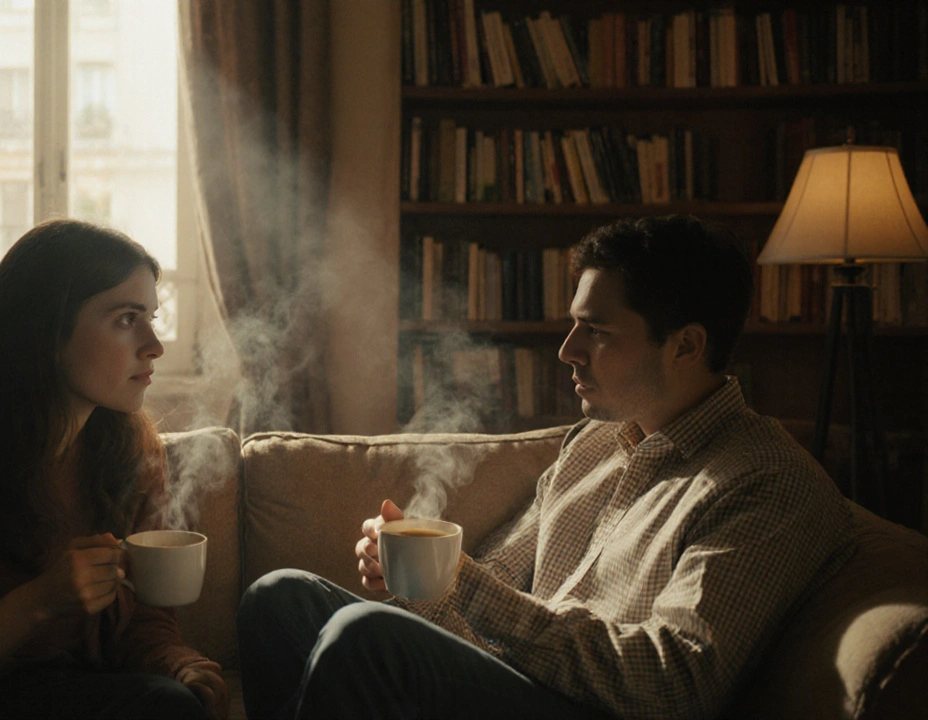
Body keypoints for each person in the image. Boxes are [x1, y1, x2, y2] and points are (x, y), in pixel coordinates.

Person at [237, 214, 855, 720]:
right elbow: (497, 590)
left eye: (596, 331)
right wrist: (417, 581)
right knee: (279, 597)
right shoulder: (593, 445)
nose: (567, 350)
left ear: (686, 345)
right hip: (514, 680)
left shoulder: (765, 481)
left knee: (362, 637)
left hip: (593, 710)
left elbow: (675, 683)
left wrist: (458, 581)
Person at [0, 220, 228, 719]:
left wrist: (179, 665)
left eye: (151, 318)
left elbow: (143, 623)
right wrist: (35, 604)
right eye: (125, 319)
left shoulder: (136, 455)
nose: (154, 345)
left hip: (95, 698)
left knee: (176, 702)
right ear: (46, 332)